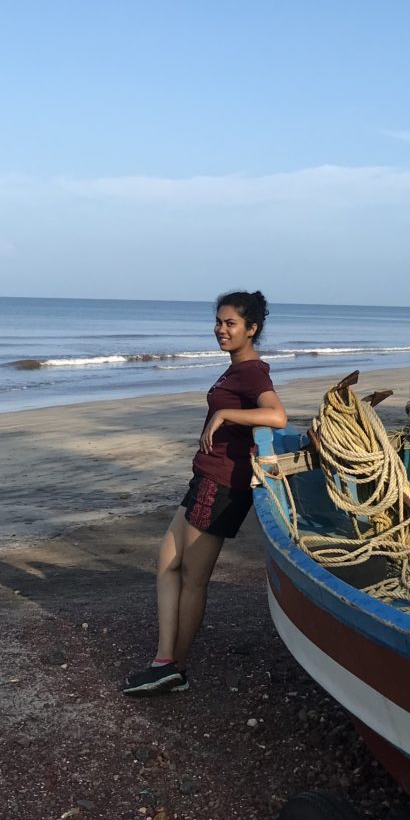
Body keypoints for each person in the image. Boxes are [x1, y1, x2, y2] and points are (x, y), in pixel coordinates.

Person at [123, 290, 287, 696]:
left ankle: (172, 667)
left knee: (193, 579)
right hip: (207, 478)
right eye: (218, 322)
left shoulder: (251, 371)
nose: (221, 329)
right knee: (166, 564)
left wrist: (225, 412)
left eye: (230, 323)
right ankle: (165, 662)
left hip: (224, 484)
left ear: (252, 329)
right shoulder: (234, 371)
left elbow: (277, 415)